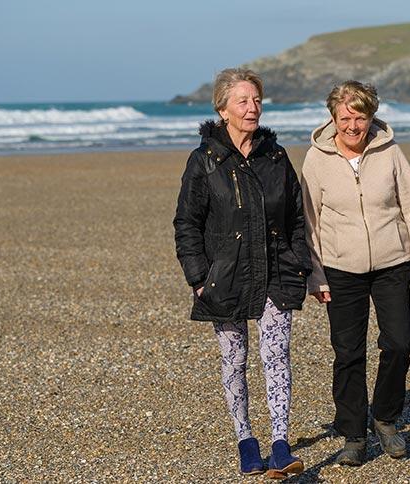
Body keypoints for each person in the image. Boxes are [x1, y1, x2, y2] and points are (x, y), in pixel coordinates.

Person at [173, 68, 309, 479]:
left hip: (275, 271)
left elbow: (297, 217)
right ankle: (246, 440)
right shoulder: (204, 161)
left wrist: (299, 264)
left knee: (276, 356)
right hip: (225, 275)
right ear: (222, 109)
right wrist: (199, 277)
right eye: (243, 101)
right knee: (234, 360)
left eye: (256, 100)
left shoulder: (276, 155)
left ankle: (281, 444)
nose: (252, 108)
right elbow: (186, 223)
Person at [300, 80, 410, 465]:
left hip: (392, 262)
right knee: (348, 353)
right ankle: (353, 435)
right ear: (333, 118)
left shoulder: (390, 152)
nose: (352, 126)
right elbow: (308, 221)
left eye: (360, 117)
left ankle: (386, 418)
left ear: (371, 117)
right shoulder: (317, 159)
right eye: (345, 118)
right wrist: (315, 274)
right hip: (340, 268)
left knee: (399, 342)